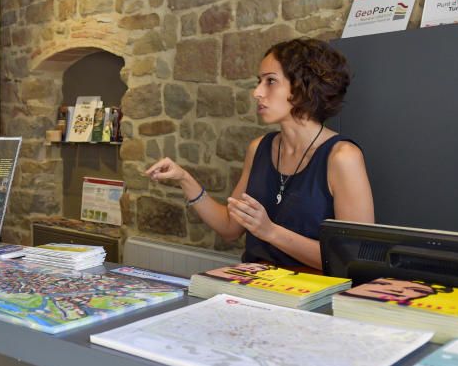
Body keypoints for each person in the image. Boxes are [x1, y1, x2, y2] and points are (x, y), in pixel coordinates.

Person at [146, 38, 374, 271]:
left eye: (271, 81)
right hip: (255, 289)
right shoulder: (259, 149)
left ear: (304, 87)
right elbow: (229, 228)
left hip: (312, 300)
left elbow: (353, 259)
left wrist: (270, 231)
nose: (257, 92)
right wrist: (185, 179)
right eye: (259, 81)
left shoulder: (343, 157)